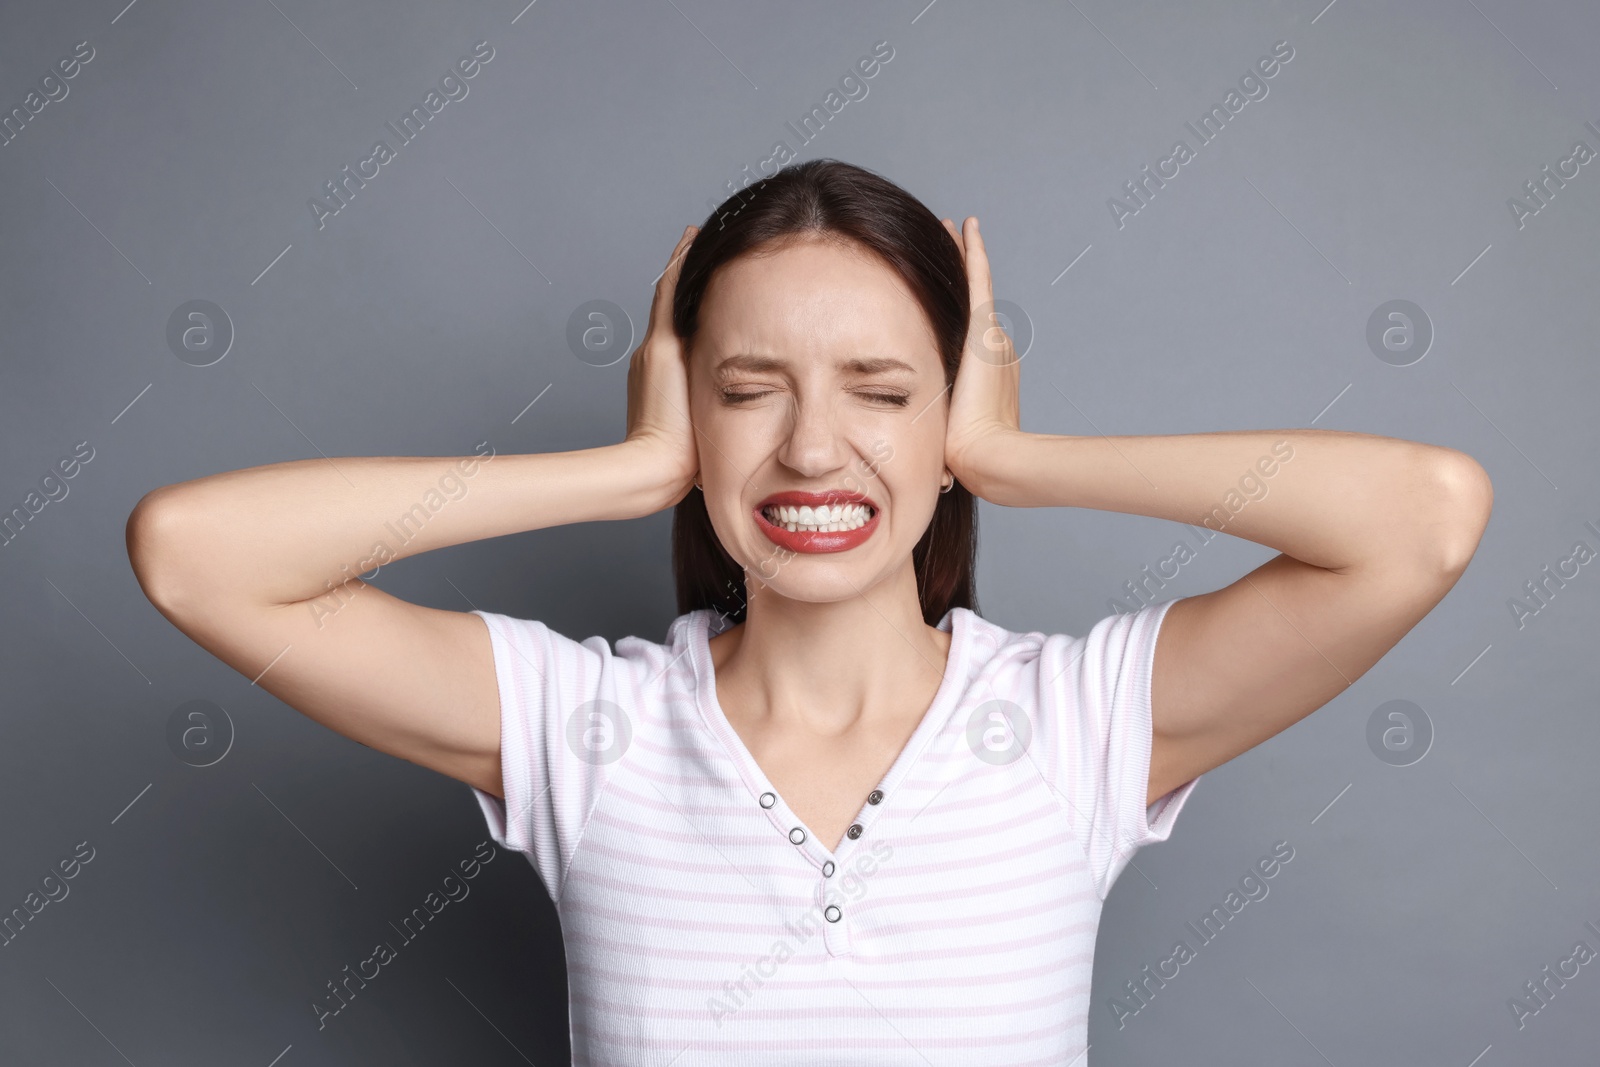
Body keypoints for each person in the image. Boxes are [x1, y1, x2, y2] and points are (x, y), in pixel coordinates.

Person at [125, 159, 1493, 1065]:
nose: (814, 450)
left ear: (950, 411)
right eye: (749, 391)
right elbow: (194, 554)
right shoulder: (579, 727)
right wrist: (618, 473)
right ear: (687, 413)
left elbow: (1425, 517)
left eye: (884, 394)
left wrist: (1022, 459)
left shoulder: (1078, 723)